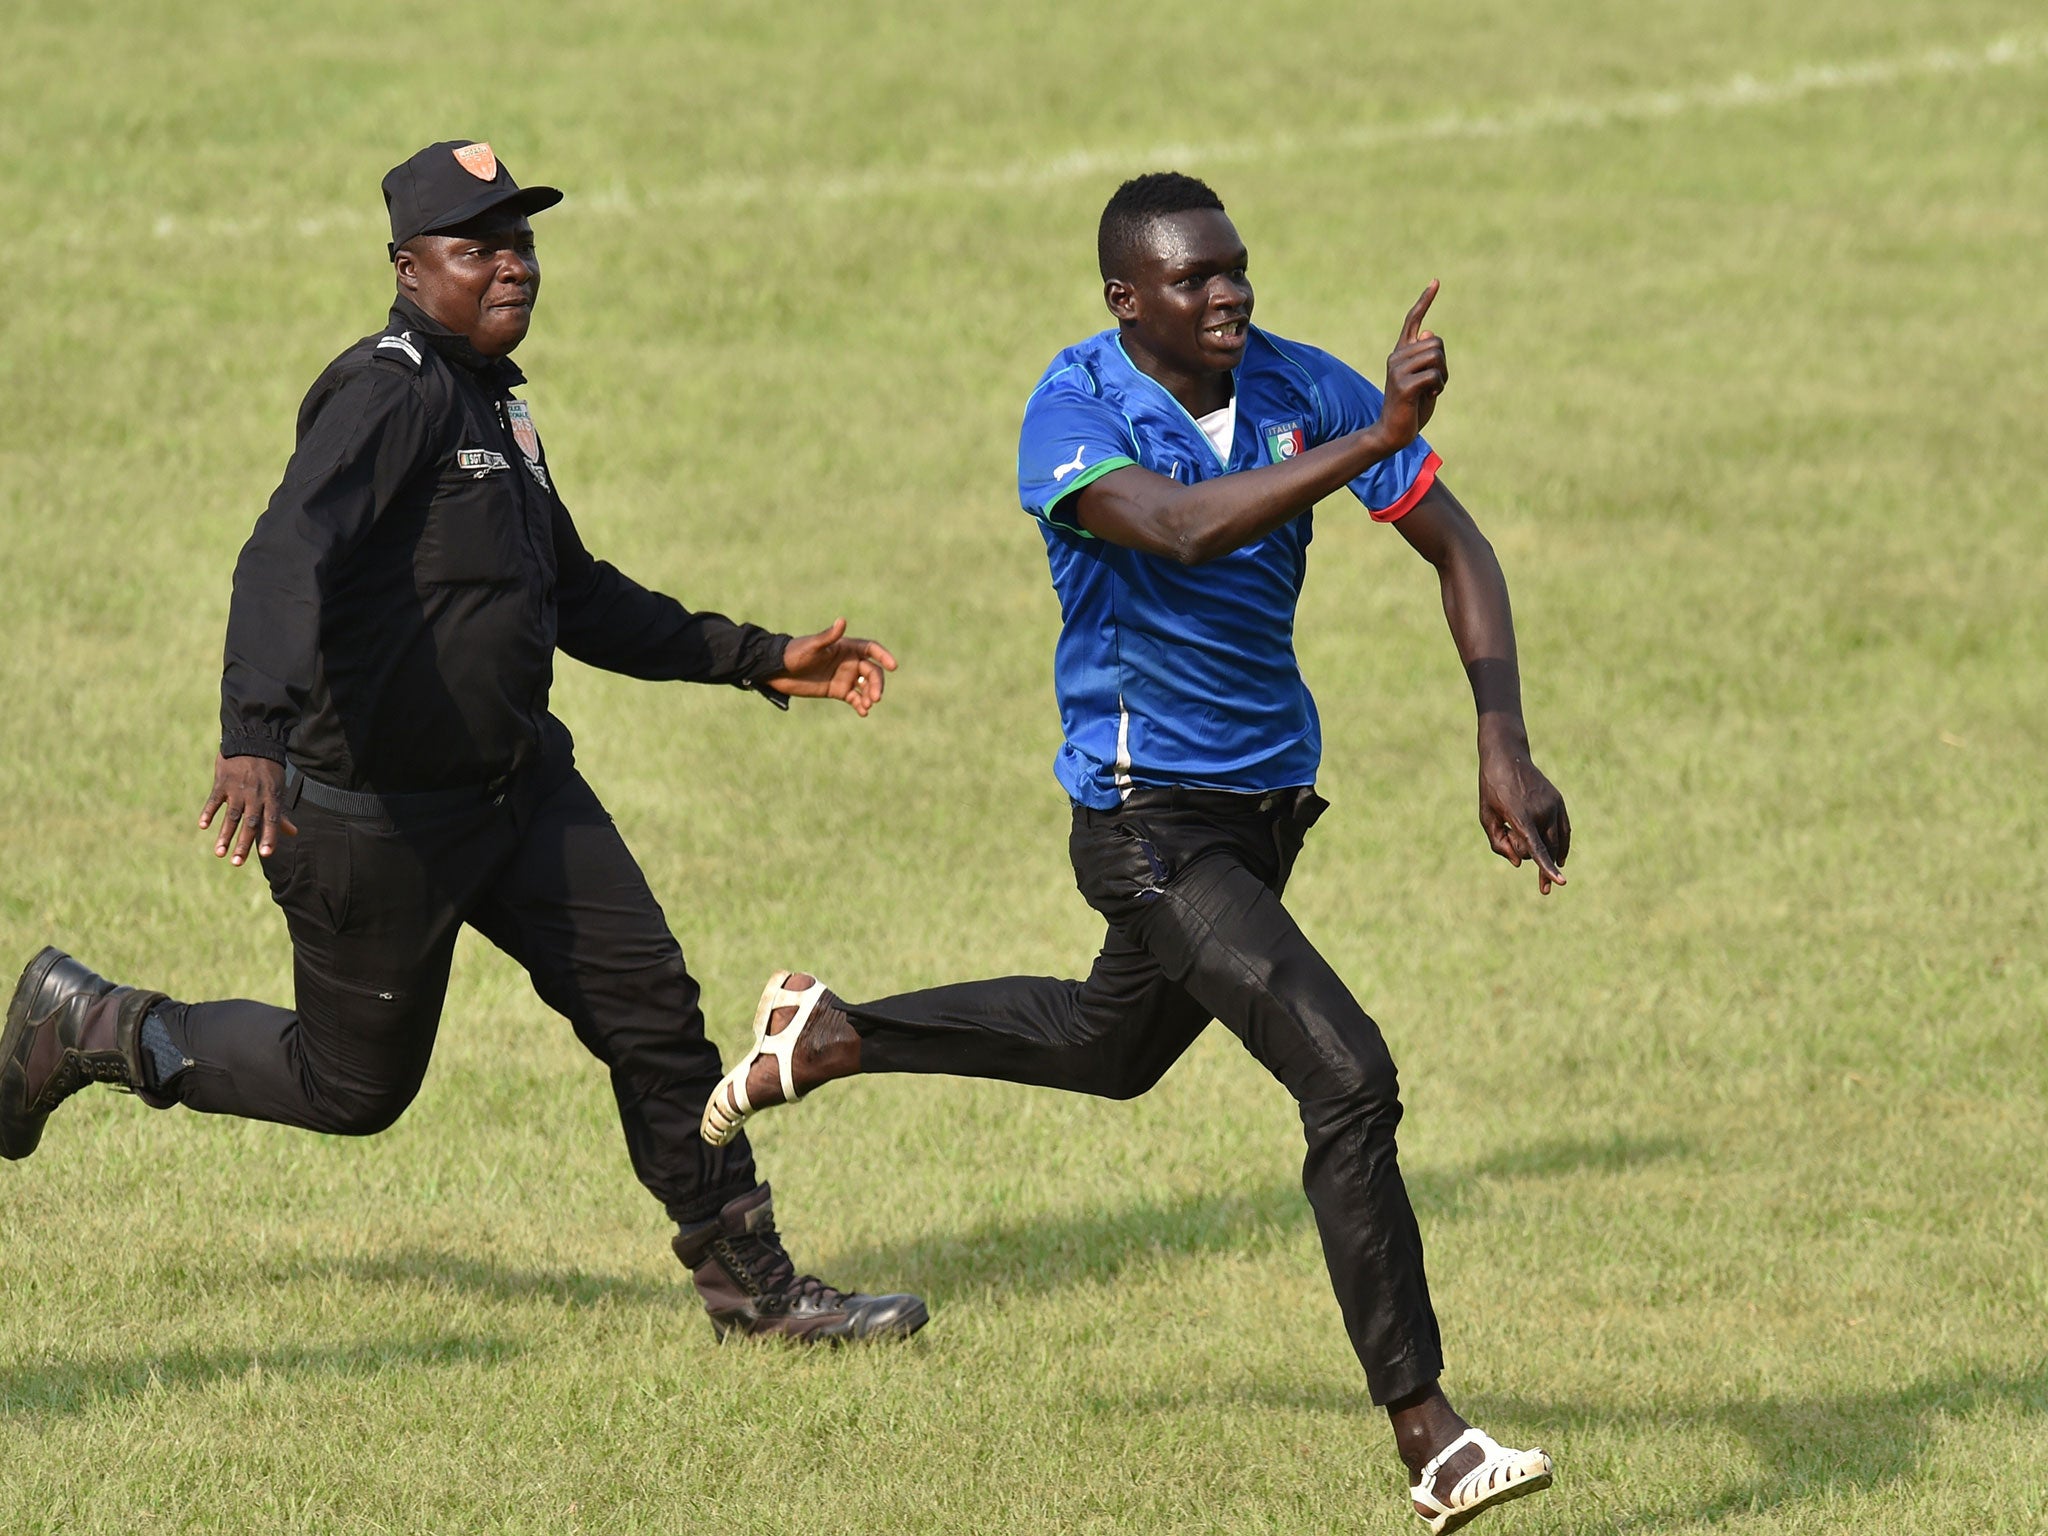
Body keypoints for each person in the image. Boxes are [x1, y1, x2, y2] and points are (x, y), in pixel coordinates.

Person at [699, 172, 1571, 1526]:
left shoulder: (1307, 385)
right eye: (1194, 280)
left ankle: (833, 1033)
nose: (1230, 294)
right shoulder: (1077, 413)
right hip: (1142, 818)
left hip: (1264, 810)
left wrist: (1499, 737)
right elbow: (1178, 527)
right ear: (1126, 299)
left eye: (1237, 270)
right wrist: (1372, 439)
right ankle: (1431, 1436)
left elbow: (1460, 549)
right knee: (1349, 1079)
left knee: (1111, 1051)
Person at [0, 140, 926, 1345]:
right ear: (407, 266)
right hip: (375, 824)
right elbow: (285, 552)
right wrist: (253, 734)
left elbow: (573, 592)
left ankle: (756, 1293)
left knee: (652, 1013)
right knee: (353, 1089)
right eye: (477, 245)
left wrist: (758, 655)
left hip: (519, 792)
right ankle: (94, 1026)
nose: (511, 265)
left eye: (522, 241)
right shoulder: (386, 390)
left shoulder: (495, 400)